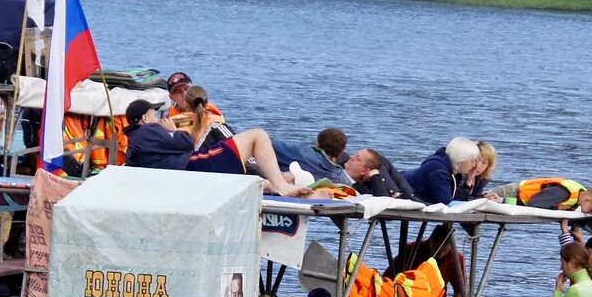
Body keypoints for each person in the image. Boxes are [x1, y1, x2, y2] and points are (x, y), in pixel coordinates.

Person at [122, 99, 309, 197]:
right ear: (145, 119)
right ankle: (281, 186)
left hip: (187, 171)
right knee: (257, 136)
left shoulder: (137, 141)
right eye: (155, 115)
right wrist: (173, 130)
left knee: (254, 182)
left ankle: (280, 184)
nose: (158, 119)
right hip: (194, 166)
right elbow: (187, 143)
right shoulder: (147, 131)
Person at [406, 136, 486, 205]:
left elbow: (455, 197)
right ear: (462, 159)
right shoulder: (439, 170)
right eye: (472, 161)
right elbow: (446, 201)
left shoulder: (448, 168)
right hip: (402, 194)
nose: (474, 165)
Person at [275, 127, 349, 183]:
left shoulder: (301, 152)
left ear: (318, 143)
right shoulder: (343, 180)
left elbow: (268, 144)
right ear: (341, 152)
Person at [342, 146, 416, 199]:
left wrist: (375, 176)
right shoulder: (340, 162)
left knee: (380, 161)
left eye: (357, 159)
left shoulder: (364, 188)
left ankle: (403, 194)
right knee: (380, 160)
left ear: (364, 171)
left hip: (393, 194)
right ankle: (402, 194)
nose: (352, 157)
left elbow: (382, 200)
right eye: (355, 155)